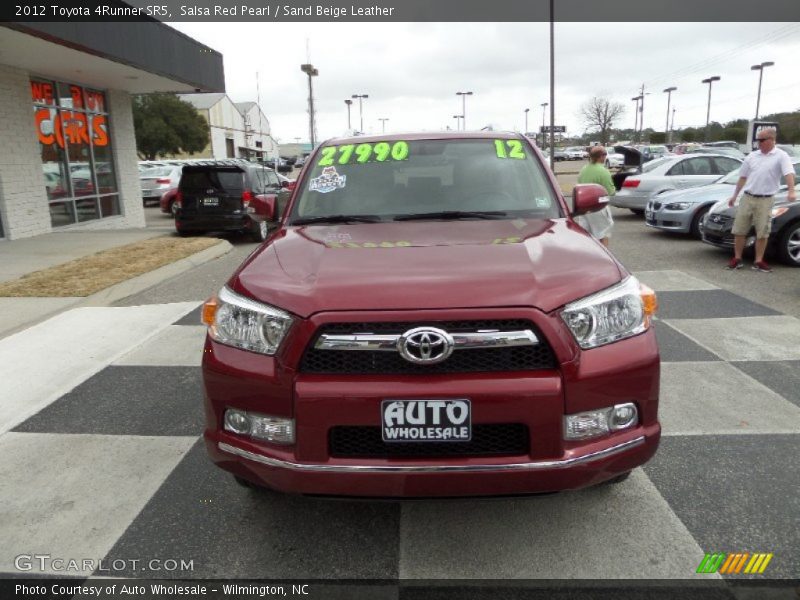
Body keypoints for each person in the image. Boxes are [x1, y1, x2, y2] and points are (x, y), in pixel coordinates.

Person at [726, 127, 796, 272]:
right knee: (739, 229)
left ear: (772, 140)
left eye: (762, 140)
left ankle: (758, 261)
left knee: (762, 231)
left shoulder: (781, 156)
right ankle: (737, 258)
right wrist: (734, 195)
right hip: (748, 197)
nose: (759, 143)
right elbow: (743, 177)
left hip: (766, 199)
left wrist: (791, 191)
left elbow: (789, 174)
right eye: (758, 140)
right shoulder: (752, 156)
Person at [574, 145, 615, 247]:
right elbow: (610, 191)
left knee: (587, 235)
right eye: (605, 154)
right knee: (603, 233)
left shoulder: (583, 170)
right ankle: (604, 259)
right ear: (600, 156)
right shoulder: (603, 171)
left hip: (583, 208)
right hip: (598, 207)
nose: (605, 157)